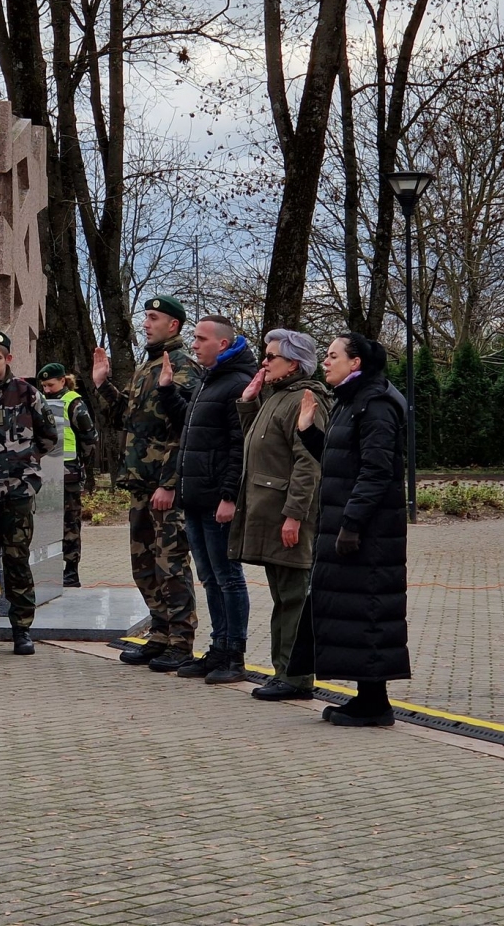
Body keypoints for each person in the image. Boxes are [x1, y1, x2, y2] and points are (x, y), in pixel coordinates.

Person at [290, 332, 412, 727]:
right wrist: (309, 431)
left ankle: (376, 704)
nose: (325, 362)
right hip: (352, 527)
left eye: (332, 355)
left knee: (371, 609)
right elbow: (340, 459)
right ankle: (366, 697)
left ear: (355, 363)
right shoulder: (351, 401)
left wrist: (352, 524)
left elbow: (377, 472)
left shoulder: (375, 404)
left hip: (371, 534)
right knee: (354, 611)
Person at [92, 296, 201, 671]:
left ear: (174, 325)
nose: (145, 323)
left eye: (153, 318)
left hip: (164, 486)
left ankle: (181, 641)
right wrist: (103, 385)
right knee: (144, 566)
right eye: (145, 317)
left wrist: (170, 483)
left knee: (171, 565)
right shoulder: (146, 368)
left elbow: (186, 429)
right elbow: (129, 420)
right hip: (141, 484)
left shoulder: (183, 367)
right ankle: (159, 634)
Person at [157, 315, 258, 683]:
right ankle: (218, 647)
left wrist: (229, 495)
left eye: (201, 339)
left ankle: (234, 654)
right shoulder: (209, 379)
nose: (194, 344)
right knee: (210, 578)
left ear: (223, 343)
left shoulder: (238, 383)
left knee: (228, 577)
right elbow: (193, 426)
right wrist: (168, 391)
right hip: (196, 498)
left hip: (217, 499)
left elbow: (238, 446)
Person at [230, 329, 329, 702]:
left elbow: (309, 462)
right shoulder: (277, 397)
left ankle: (296, 676)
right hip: (270, 512)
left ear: (293, 363)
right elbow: (260, 446)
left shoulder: (306, 398)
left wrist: (294, 515)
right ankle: (284, 672)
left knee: (293, 598)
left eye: (272, 356)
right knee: (283, 595)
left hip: (288, 516)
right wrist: (247, 403)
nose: (264, 362)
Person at [0, 331, 58, 656]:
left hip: (17, 492)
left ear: (8, 359)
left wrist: (24, 465)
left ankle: (22, 630)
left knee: (17, 561)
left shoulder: (27, 393)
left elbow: (49, 437)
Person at [38, 362, 97, 587]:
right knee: (47, 522)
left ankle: (71, 572)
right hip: (47, 472)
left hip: (69, 473)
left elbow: (89, 438)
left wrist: (82, 467)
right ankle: (49, 567)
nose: (46, 390)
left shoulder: (74, 402)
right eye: (43, 386)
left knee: (69, 523)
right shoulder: (42, 401)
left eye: (50, 385)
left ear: (63, 380)